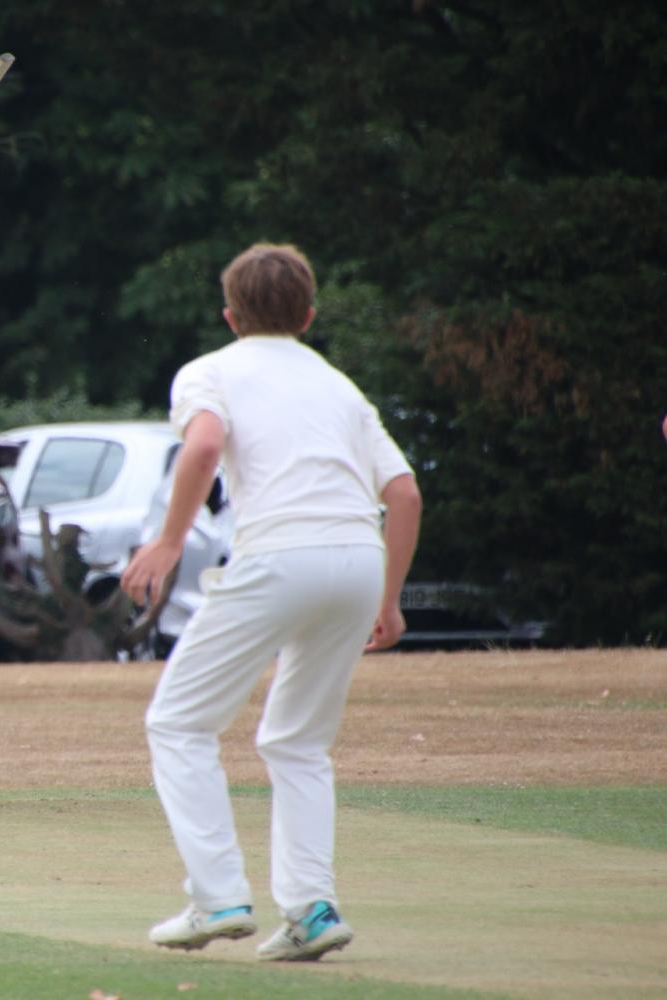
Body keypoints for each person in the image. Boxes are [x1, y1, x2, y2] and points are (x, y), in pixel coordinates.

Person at [121, 243, 422, 961]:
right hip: (357, 561)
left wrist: (167, 542)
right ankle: (313, 910)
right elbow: (404, 493)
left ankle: (218, 897)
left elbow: (202, 448)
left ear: (230, 316)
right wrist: (390, 598)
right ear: (309, 315)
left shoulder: (210, 371)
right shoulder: (341, 386)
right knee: (298, 742)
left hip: (279, 556)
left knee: (178, 723)